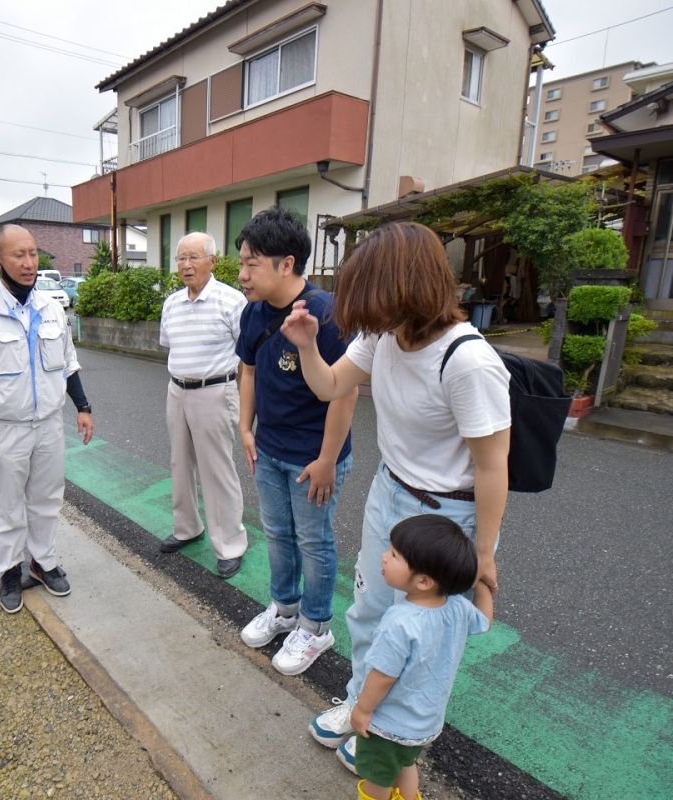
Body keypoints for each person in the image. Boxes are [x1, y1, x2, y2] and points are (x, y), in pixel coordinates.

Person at [281, 221, 510, 773]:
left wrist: (483, 552)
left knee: (421, 632)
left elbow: (491, 466)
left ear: (402, 289)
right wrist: (309, 346)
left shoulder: (469, 363)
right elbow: (332, 386)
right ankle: (362, 705)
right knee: (369, 610)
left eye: (368, 296)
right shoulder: (383, 334)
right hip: (390, 491)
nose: (360, 314)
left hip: (444, 514)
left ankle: (393, 730)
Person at [234, 206, 358, 676]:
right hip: (269, 450)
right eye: (242, 262)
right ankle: (284, 610)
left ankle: (316, 626)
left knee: (314, 540)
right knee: (279, 535)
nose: (242, 274)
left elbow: (344, 393)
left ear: (286, 264)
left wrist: (328, 459)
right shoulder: (253, 313)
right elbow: (247, 370)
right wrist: (246, 428)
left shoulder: (325, 313)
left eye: (252, 263)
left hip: (314, 457)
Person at [0, 224, 94, 614]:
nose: (29, 263)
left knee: (47, 499)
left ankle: (42, 561)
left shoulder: (51, 308)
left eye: (33, 254)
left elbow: (68, 364)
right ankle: (9, 570)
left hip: (49, 424)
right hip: (5, 428)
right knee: (9, 504)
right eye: (19, 255)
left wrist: (83, 407)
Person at [350, 515, 494, 800]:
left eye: (394, 555)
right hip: (425, 723)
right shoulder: (456, 608)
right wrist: (482, 586)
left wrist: (363, 709)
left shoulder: (400, 621)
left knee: (376, 779)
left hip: (387, 724)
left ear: (425, 581)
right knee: (406, 764)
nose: (384, 557)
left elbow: (383, 675)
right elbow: (485, 621)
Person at [158, 232, 249, 578]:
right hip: (177, 390)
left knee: (216, 468)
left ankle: (230, 543)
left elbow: (247, 356)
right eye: (181, 258)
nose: (186, 265)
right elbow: (169, 344)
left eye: (194, 257)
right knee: (180, 463)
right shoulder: (172, 303)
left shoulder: (231, 301)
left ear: (212, 261)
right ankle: (187, 528)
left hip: (215, 391)